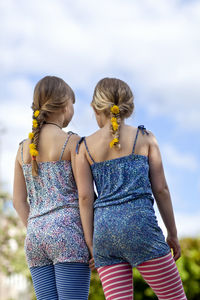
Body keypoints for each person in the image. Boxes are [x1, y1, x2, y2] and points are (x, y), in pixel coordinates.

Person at [76, 77, 187, 300]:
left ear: (96, 109)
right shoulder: (145, 139)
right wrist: (172, 233)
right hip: (142, 230)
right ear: (129, 107)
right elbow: (162, 189)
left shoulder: (84, 147)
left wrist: (91, 244)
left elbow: (86, 197)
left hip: (105, 235)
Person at [13, 76, 91, 300]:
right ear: (66, 105)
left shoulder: (22, 149)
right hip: (69, 233)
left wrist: (40, 227)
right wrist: (91, 242)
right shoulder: (73, 142)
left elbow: (18, 201)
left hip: (36, 235)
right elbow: (85, 196)